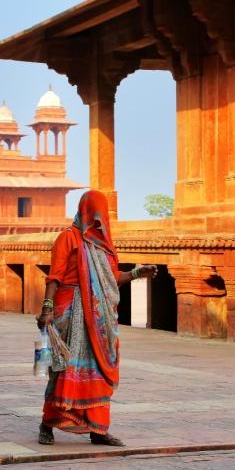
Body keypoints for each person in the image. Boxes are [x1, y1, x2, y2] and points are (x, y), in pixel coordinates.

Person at [36, 190, 157, 446]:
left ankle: (98, 430)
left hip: (100, 319)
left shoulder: (105, 247)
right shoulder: (68, 238)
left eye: (102, 215)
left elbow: (111, 279)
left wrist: (137, 273)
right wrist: (47, 309)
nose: (98, 220)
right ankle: (47, 424)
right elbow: (55, 276)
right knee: (63, 370)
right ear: (84, 212)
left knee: (99, 373)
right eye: (95, 213)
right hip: (70, 312)